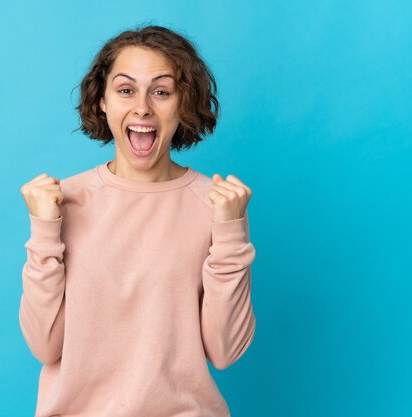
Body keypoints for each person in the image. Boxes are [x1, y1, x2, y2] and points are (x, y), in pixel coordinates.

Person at [18, 24, 256, 417]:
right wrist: (44, 232)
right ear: (102, 102)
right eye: (126, 90)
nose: (143, 107)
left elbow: (225, 351)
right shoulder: (65, 202)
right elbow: (44, 345)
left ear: (183, 103)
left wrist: (231, 238)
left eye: (161, 91)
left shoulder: (213, 205)